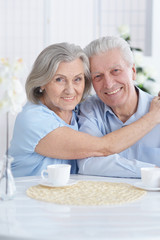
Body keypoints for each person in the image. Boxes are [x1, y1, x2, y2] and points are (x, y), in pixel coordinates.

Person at [9, 42, 160, 177]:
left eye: (77, 79)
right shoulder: (33, 119)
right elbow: (104, 148)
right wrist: (153, 117)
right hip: (25, 201)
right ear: (42, 82)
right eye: (59, 79)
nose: (70, 90)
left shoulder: (76, 112)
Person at [77, 36, 160, 178]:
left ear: (133, 71)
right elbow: (87, 163)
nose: (108, 84)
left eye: (115, 70)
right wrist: (152, 171)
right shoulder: (89, 110)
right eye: (98, 76)